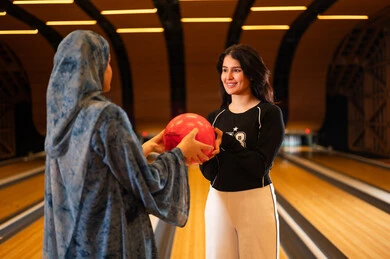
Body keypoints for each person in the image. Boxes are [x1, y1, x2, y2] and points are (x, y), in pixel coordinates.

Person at [43, 30, 212, 258]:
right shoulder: (106, 115)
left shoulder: (61, 118)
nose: (111, 70)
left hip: (77, 242)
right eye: (108, 62)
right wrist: (180, 154)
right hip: (109, 241)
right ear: (94, 65)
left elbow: (99, 169)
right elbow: (145, 181)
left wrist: (147, 147)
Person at [200, 44, 285, 258]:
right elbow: (211, 174)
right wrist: (202, 157)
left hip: (255, 200)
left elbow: (259, 167)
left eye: (236, 70)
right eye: (224, 69)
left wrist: (227, 141)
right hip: (218, 201)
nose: (228, 76)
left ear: (251, 73)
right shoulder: (215, 118)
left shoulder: (267, 113)